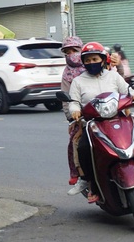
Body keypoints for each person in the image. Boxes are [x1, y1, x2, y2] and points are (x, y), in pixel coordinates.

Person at [67, 42, 134, 202]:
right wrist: (75, 110)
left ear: (102, 59)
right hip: (93, 123)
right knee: (83, 147)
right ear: (83, 63)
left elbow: (127, 90)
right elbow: (73, 101)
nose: (91, 63)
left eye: (95, 59)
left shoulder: (113, 76)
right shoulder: (78, 81)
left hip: (118, 117)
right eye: (88, 60)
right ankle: (89, 182)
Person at [59, 36, 85, 187]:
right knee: (75, 141)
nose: (71, 55)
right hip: (80, 113)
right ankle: (80, 175)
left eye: (74, 50)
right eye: (67, 52)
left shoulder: (93, 62)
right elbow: (66, 98)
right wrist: (71, 117)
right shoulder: (67, 73)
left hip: (105, 108)